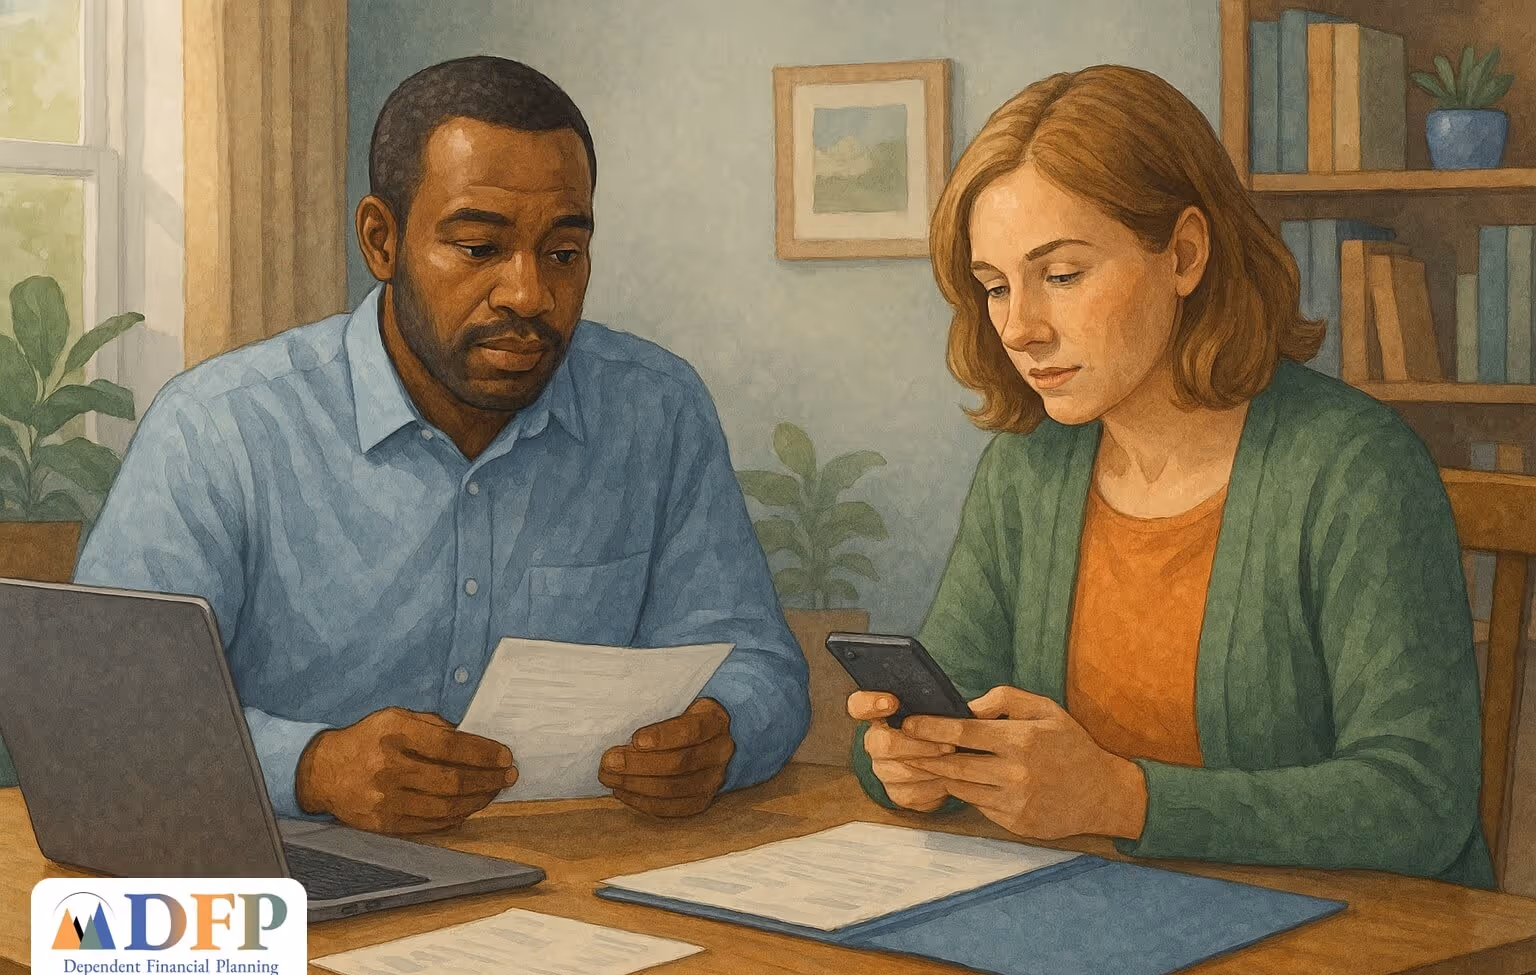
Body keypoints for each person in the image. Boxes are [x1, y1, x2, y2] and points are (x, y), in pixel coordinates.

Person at [75, 56, 808, 834]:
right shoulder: (218, 428)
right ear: (381, 241)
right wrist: (314, 769)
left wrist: (720, 734)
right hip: (291, 892)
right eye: (478, 249)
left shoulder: (657, 410)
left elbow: (760, 666)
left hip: (577, 885)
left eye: (563, 254)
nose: (528, 293)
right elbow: (105, 714)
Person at [847, 66, 1493, 888]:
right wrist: (909, 765)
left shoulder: (1353, 466)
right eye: (996, 287)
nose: (1019, 328)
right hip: (1094, 919)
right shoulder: (1028, 471)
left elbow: (1419, 801)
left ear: (1184, 254)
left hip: (1347, 953)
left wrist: (1124, 800)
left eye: (1063, 274)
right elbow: (947, 701)